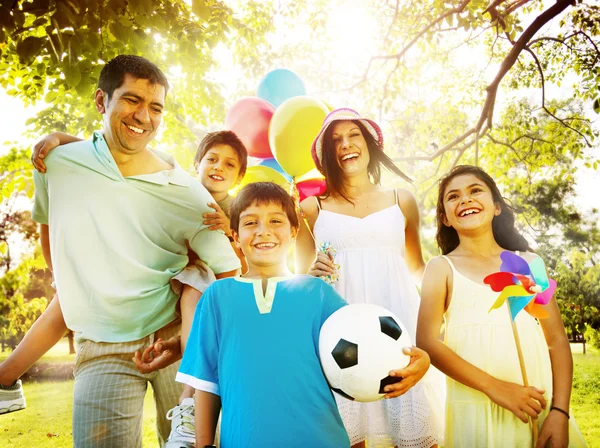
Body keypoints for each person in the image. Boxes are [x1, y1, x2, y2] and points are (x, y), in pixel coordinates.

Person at [0, 55, 241, 448]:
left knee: (201, 443)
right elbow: (50, 232)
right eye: (132, 100)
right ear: (101, 100)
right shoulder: (55, 162)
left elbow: (231, 277)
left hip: (177, 341)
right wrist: (76, 283)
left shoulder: (185, 190)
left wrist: (184, 340)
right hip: (102, 346)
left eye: (156, 107)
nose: (144, 116)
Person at [178, 181, 420, 448]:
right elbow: (206, 383)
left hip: (320, 440)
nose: (263, 231)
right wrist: (203, 444)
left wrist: (416, 363)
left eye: (275, 221)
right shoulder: (217, 297)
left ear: (293, 231)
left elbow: (369, 344)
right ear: (234, 234)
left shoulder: (317, 293)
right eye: (250, 223)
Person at [295, 108, 443, 448]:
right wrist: (310, 272)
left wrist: (454, 285)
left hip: (398, 328)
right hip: (340, 339)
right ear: (326, 154)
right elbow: (298, 282)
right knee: (351, 436)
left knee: (417, 435)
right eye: (336, 140)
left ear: (369, 143)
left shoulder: (401, 200)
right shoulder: (310, 209)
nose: (346, 145)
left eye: (353, 136)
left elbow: (417, 267)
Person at [416, 165, 586, 447]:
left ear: (496, 207)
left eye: (475, 191)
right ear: (445, 218)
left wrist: (559, 411)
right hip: (475, 405)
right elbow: (427, 342)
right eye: (453, 196)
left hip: (535, 402)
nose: (465, 200)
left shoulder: (530, 264)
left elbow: (556, 339)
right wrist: (497, 389)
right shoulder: (440, 268)